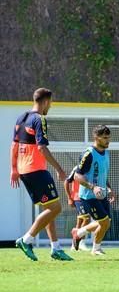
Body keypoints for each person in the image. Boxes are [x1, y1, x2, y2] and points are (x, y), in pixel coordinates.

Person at [11, 88, 73, 261]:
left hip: (24, 171)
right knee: (56, 208)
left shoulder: (21, 118)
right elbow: (42, 147)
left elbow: (14, 146)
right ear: (45, 101)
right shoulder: (39, 120)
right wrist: (60, 169)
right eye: (51, 103)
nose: (50, 106)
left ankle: (56, 248)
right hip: (36, 170)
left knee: (49, 209)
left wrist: (13, 169)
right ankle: (26, 239)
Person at [71, 125, 115, 256]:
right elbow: (77, 176)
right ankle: (95, 249)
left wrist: (109, 188)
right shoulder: (88, 154)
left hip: (102, 194)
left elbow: (103, 174)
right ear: (96, 137)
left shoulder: (106, 153)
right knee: (104, 222)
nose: (108, 141)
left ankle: (78, 233)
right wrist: (93, 187)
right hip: (88, 196)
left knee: (106, 223)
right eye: (105, 138)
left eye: (109, 138)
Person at [64, 166, 90, 251]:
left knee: (80, 220)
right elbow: (66, 181)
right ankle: (80, 241)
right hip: (78, 197)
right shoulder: (77, 168)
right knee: (87, 219)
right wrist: (69, 198)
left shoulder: (92, 167)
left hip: (87, 197)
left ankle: (74, 245)